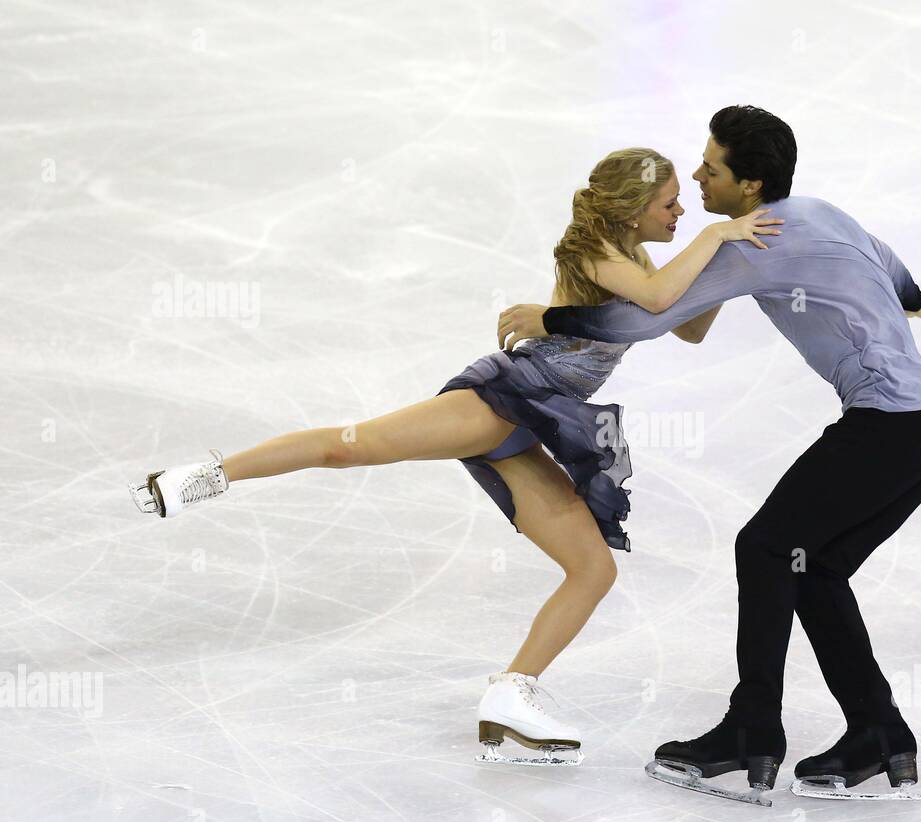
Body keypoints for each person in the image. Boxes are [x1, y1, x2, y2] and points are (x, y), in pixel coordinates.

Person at [127, 147, 781, 766]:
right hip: (503, 400)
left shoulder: (636, 253)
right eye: (668, 202)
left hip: (536, 425)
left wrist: (734, 265)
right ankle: (203, 476)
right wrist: (719, 236)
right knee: (349, 447)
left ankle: (511, 694)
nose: (680, 212)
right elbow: (663, 298)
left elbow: (687, 321)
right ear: (632, 206)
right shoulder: (595, 248)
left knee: (592, 568)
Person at [498, 106, 921, 803]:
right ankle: (879, 733)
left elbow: (646, 317)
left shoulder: (755, 243)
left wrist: (551, 317)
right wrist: (917, 304)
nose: (695, 176)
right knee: (816, 568)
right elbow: (891, 267)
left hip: (888, 429)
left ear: (748, 187)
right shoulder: (820, 212)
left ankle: (751, 734)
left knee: (766, 548)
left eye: (709, 169)